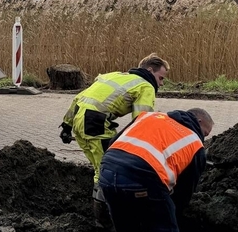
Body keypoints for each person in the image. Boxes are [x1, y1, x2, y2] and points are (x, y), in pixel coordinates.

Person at [99, 107, 213, 232]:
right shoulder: (194, 143)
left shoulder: (149, 116)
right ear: (198, 121)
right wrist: (168, 217)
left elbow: (113, 143)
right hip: (144, 177)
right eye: (205, 133)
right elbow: (183, 194)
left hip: (107, 172)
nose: (204, 139)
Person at [60, 53, 169, 187]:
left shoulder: (114, 75)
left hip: (80, 121)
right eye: (161, 78)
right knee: (108, 169)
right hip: (95, 124)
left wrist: (67, 126)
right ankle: (104, 205)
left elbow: (79, 98)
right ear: (150, 71)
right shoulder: (146, 86)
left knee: (100, 167)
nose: (162, 83)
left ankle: (101, 202)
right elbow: (142, 120)